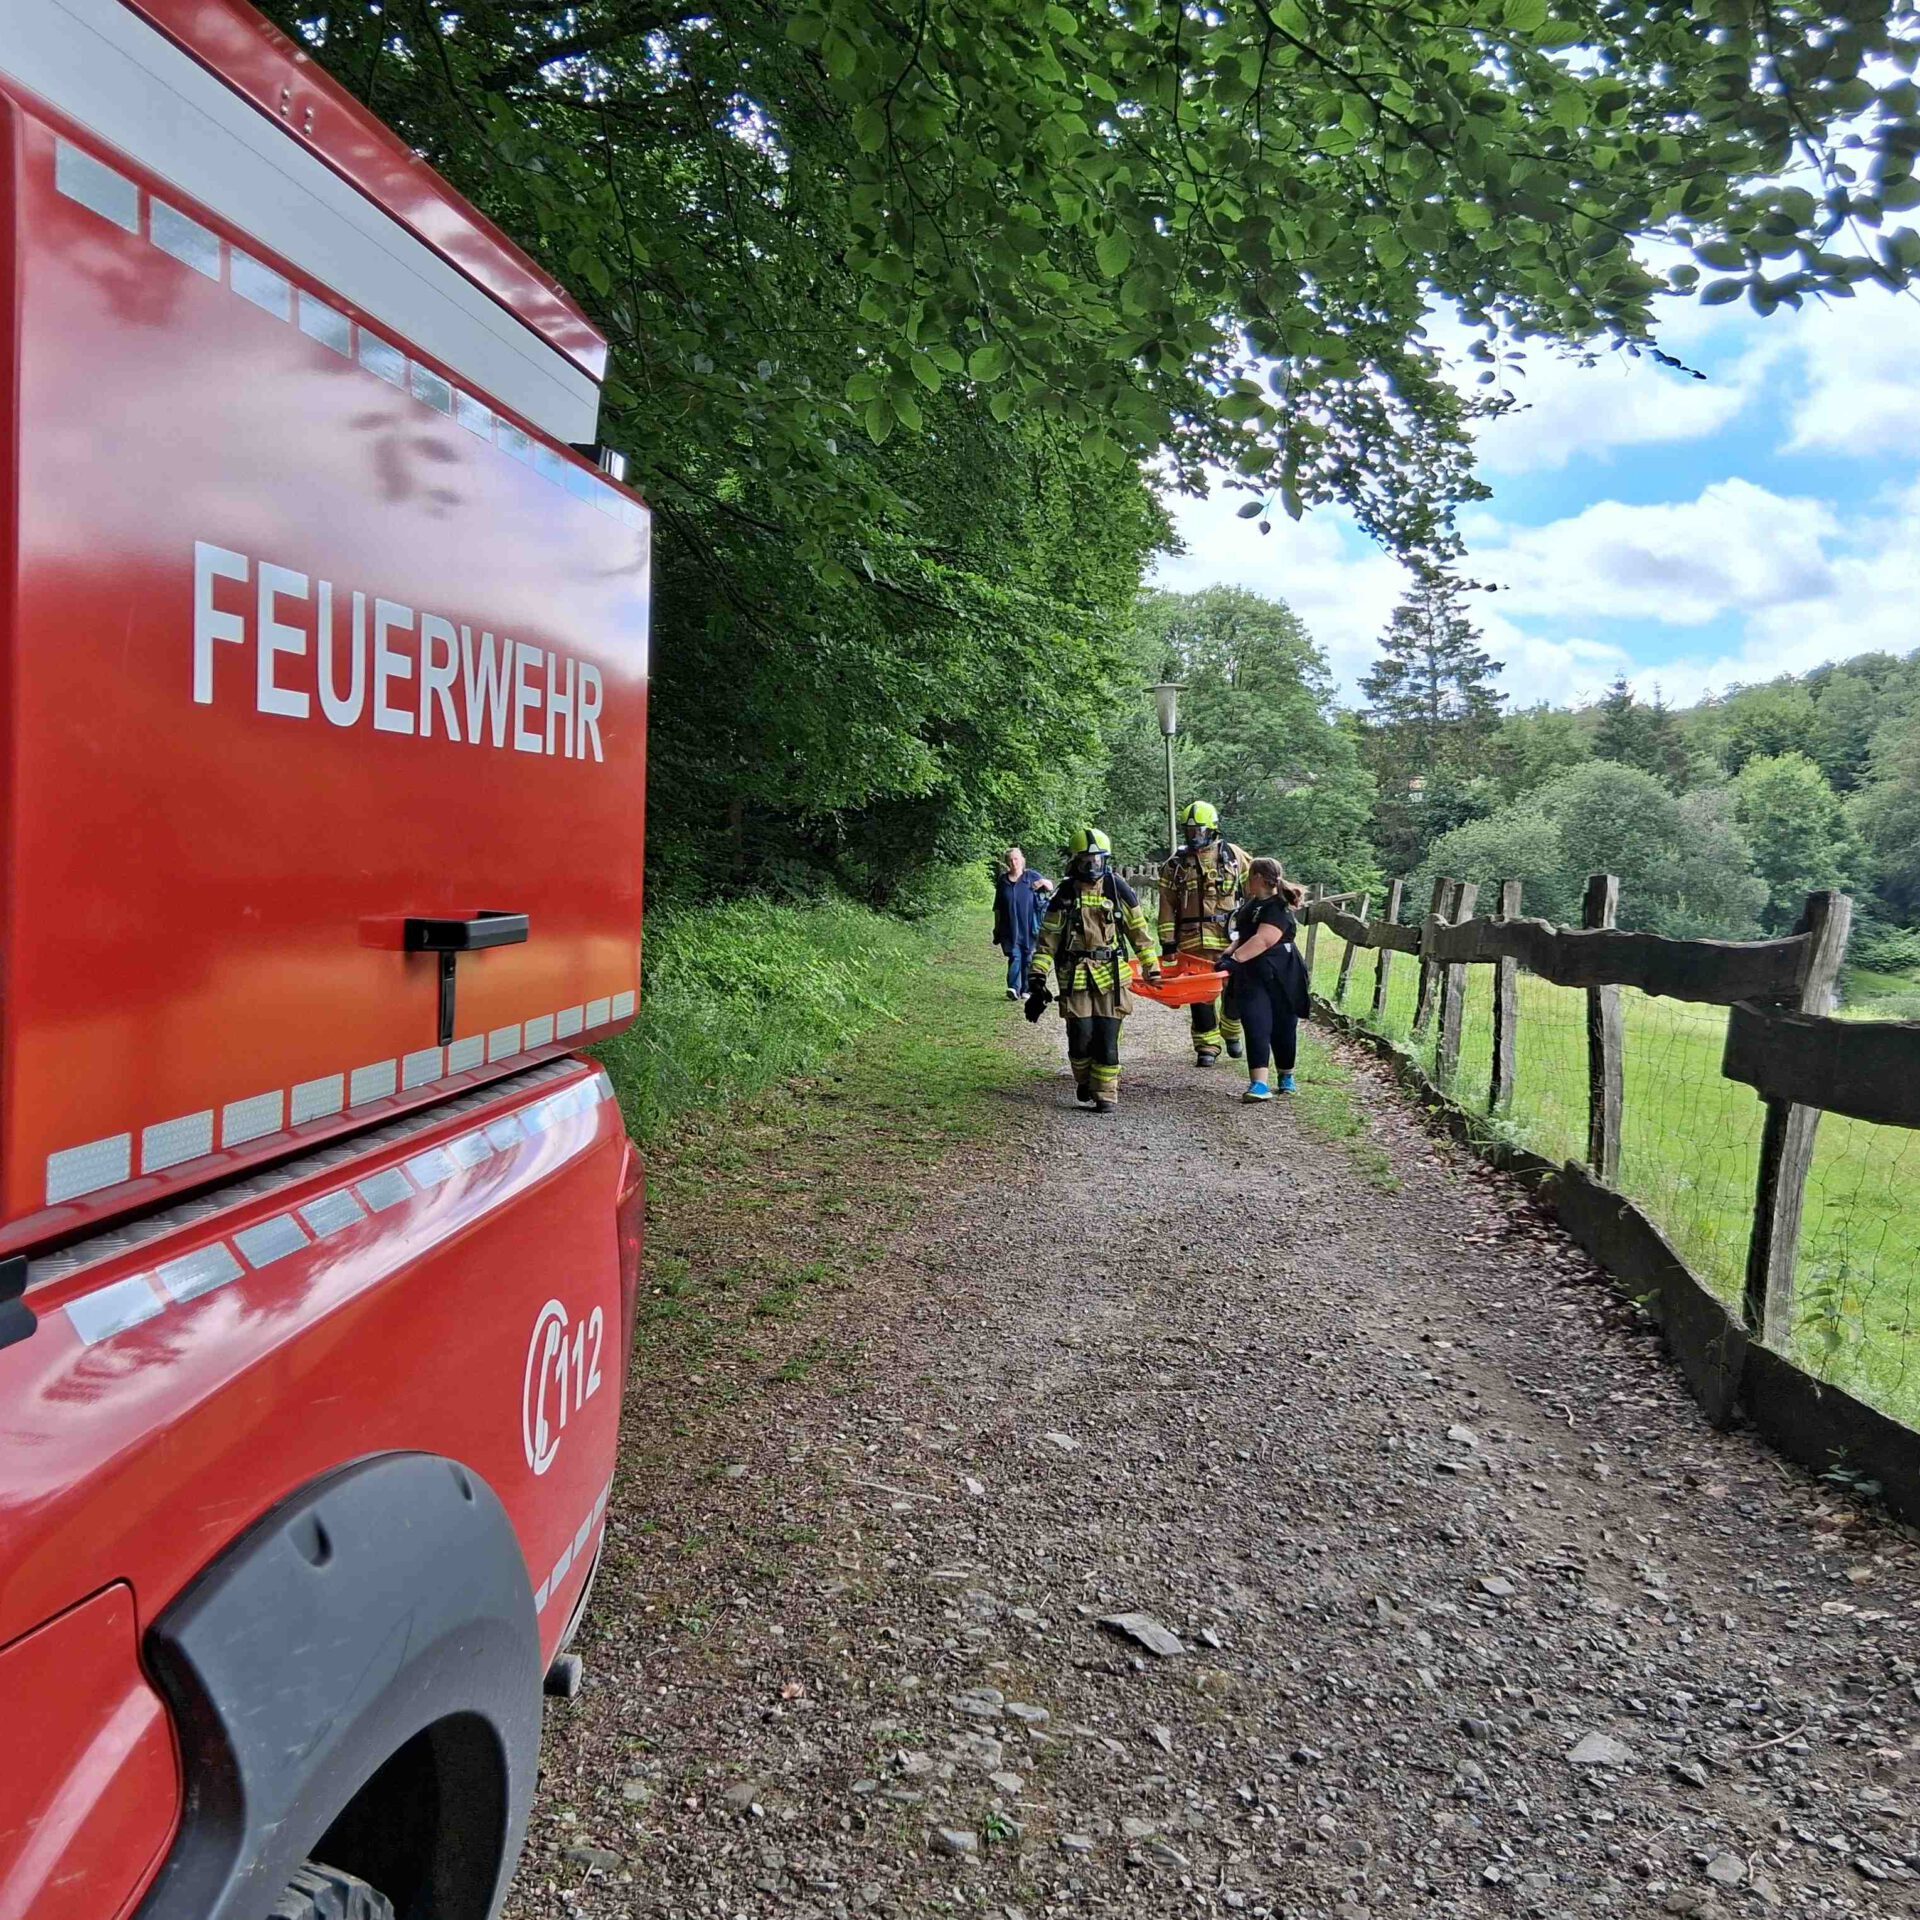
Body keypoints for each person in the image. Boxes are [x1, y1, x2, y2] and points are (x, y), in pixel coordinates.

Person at [1026, 827, 1161, 1113]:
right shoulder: (1064, 895)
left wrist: (1152, 966)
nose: (1092, 867)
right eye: (1087, 861)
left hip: (1112, 977)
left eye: (1097, 861)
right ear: (1076, 862)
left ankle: (1106, 1095)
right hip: (1075, 976)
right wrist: (1037, 978)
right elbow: (1047, 940)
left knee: (1107, 1040)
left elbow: (1139, 931)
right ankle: (1085, 1080)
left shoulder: (1117, 888)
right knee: (1081, 1038)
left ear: (1106, 860)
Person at [1157, 800, 1253, 1066]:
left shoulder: (1234, 856)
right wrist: (1168, 943)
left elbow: (1255, 892)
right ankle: (1206, 1047)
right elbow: (1166, 906)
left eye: (1199, 831)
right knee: (1199, 996)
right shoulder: (1175, 865)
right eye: (1190, 832)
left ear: (1212, 830)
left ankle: (1232, 1032)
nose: (1195, 837)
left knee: (1233, 989)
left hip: (1229, 940)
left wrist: (1256, 929)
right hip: (1192, 942)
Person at [1221, 857, 1310, 1102]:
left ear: (1259, 877)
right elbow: (1244, 935)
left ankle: (1286, 1075)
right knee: (1256, 1024)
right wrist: (1228, 954)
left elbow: (1264, 939)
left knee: (1283, 1026)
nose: (1247, 880)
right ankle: (1259, 1084)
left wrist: (1235, 959)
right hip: (1252, 974)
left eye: (1250, 875)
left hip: (1281, 974)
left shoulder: (1278, 907)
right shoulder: (1251, 905)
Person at [992, 846, 1049, 1002]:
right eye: (1010, 860)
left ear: (1022, 861)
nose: (1013, 862)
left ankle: (1026, 989)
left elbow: (1050, 888)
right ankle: (1013, 988)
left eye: (1016, 859)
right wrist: (996, 927)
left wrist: (1043, 882)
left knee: (1028, 957)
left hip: (1030, 926)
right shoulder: (1003, 881)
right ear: (1007, 863)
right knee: (1015, 956)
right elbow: (997, 907)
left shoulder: (1031, 876)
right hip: (1009, 927)